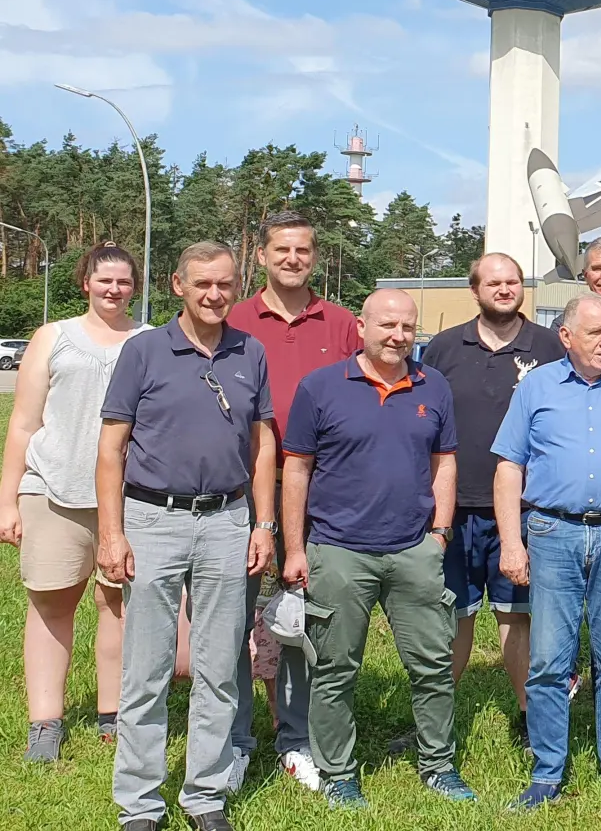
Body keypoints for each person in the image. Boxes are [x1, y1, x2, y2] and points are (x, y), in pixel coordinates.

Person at [98, 242, 278, 831]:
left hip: (228, 520)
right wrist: (112, 534)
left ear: (237, 285)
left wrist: (263, 523)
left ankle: (206, 797)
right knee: (145, 670)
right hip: (152, 519)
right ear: (177, 284)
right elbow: (111, 449)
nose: (214, 295)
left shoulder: (250, 351)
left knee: (220, 666)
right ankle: (140, 804)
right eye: (202, 284)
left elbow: (263, 445)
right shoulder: (144, 351)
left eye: (224, 284)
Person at [278, 289, 475, 810]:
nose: (398, 336)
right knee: (335, 668)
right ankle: (339, 771)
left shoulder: (435, 385)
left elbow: (445, 462)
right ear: (362, 326)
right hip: (338, 550)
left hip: (414, 548)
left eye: (408, 328)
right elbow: (295, 469)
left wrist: (440, 534)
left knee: (432, 666)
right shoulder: (321, 387)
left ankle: (439, 766)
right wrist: (294, 548)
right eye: (387, 325)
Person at [492, 293, 601, 809]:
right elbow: (509, 467)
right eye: (594, 333)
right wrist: (512, 542)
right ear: (566, 338)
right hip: (553, 534)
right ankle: (548, 771)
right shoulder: (536, 388)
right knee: (549, 660)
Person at [226, 210, 361, 792]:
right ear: (262, 255)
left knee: (306, 618)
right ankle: (232, 739)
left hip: (320, 493)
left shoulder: (341, 323)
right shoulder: (231, 319)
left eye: (302, 250)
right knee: (229, 616)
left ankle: (298, 738)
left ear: (315, 255)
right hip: (240, 489)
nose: (291, 259)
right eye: (281, 249)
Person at [0, 243, 148, 762]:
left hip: (130, 499)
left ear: (136, 286)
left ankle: (114, 715)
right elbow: (22, 423)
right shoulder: (52, 338)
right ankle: (45, 724)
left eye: (124, 282)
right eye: (104, 280)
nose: (114, 290)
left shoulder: (149, 341)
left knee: (119, 606)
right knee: (51, 604)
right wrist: (8, 500)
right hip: (54, 492)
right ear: (85, 282)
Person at [421, 253, 564, 744]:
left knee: (518, 616)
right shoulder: (443, 348)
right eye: (494, 282)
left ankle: (530, 718)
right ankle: (436, 723)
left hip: (525, 512)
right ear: (475, 290)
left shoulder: (549, 346)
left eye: (513, 282)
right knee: (452, 617)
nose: (505, 289)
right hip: (452, 510)